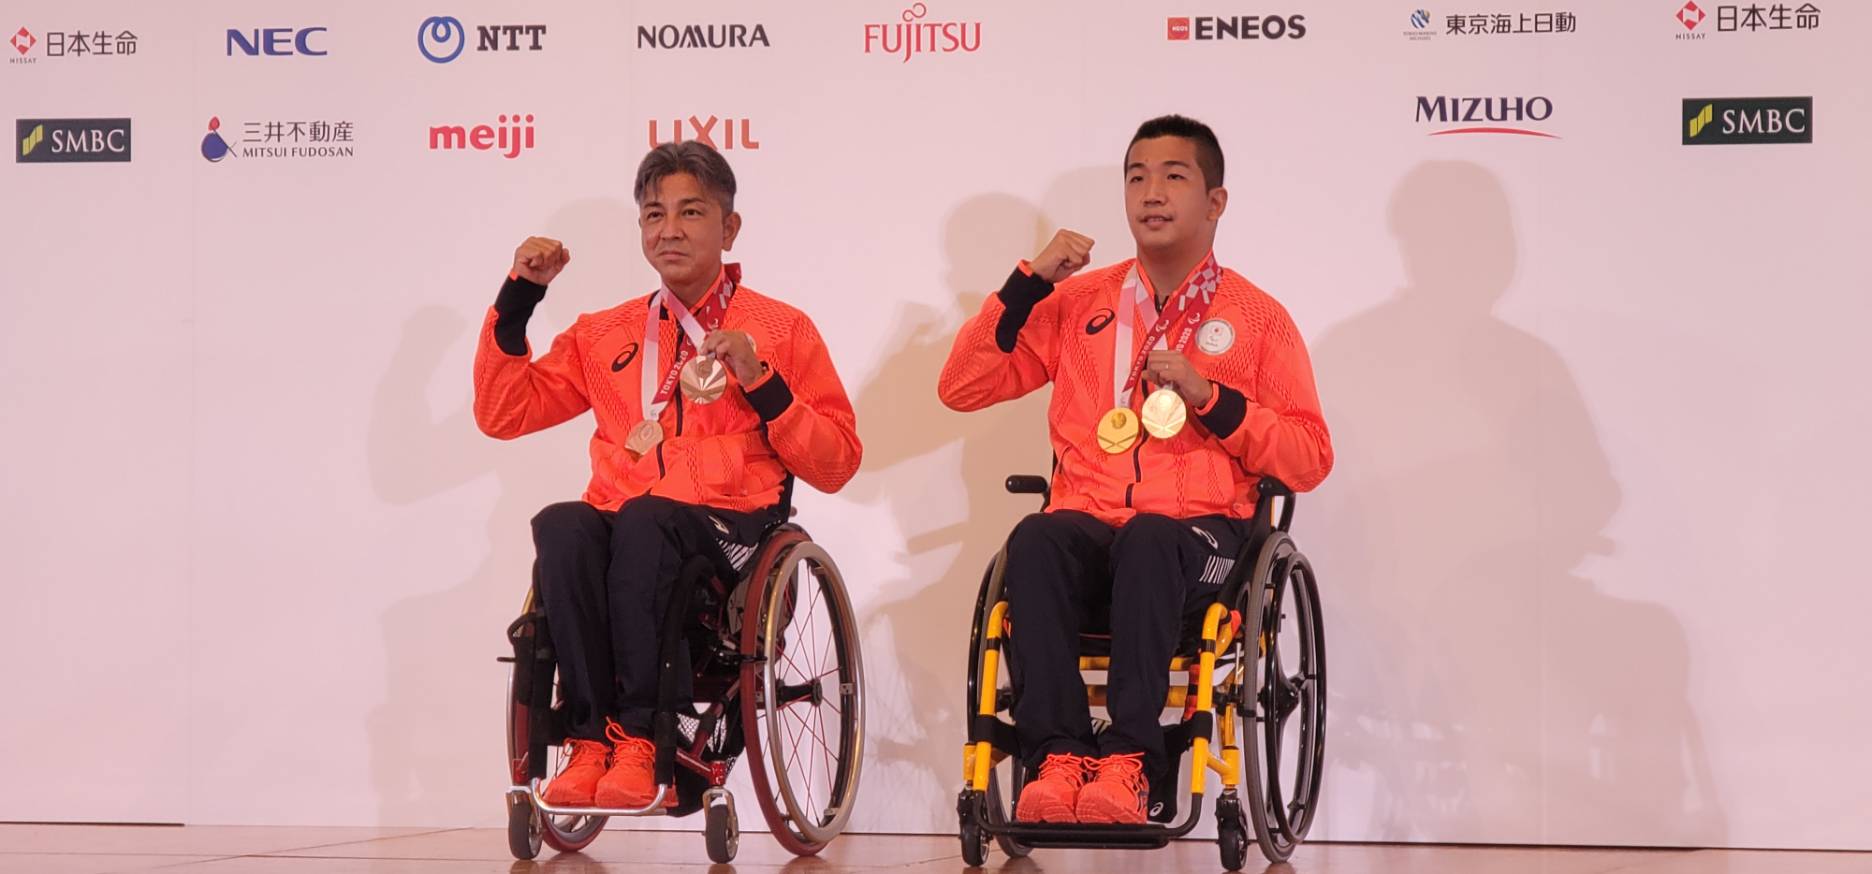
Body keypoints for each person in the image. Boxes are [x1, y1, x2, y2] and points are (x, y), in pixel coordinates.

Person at [937, 115, 1332, 825]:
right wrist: (1027, 285)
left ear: (1215, 202)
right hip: (1093, 524)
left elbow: (1308, 457)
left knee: (1151, 537)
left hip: (1202, 539)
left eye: (1174, 176)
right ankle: (1057, 757)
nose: (1152, 192)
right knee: (1036, 538)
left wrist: (1213, 400)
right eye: (1137, 177)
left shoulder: (1258, 319)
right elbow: (962, 387)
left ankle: (1129, 762)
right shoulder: (1078, 304)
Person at [474, 140, 862, 808]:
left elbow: (837, 462)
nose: (670, 230)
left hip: (732, 530)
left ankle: (643, 737)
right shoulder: (604, 333)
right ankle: (591, 739)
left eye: (691, 212)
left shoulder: (781, 328)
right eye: (654, 215)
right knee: (563, 525)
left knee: (646, 521)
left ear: (729, 228)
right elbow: (503, 413)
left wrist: (760, 380)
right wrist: (519, 300)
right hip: (631, 520)